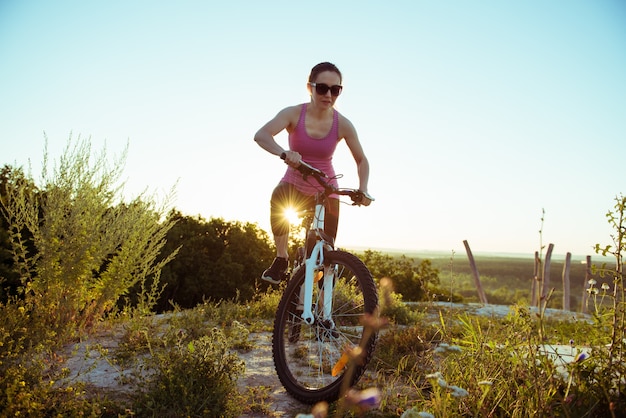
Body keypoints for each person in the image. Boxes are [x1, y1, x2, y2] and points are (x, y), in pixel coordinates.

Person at [254, 61, 373, 284]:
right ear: (310, 87)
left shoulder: (343, 124)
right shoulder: (293, 114)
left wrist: (363, 188)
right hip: (294, 184)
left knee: (323, 257)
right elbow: (261, 135)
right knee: (278, 198)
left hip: (326, 189)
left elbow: (361, 160)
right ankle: (281, 259)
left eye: (335, 90)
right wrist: (284, 153)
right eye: (322, 88)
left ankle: (322, 312)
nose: (328, 94)